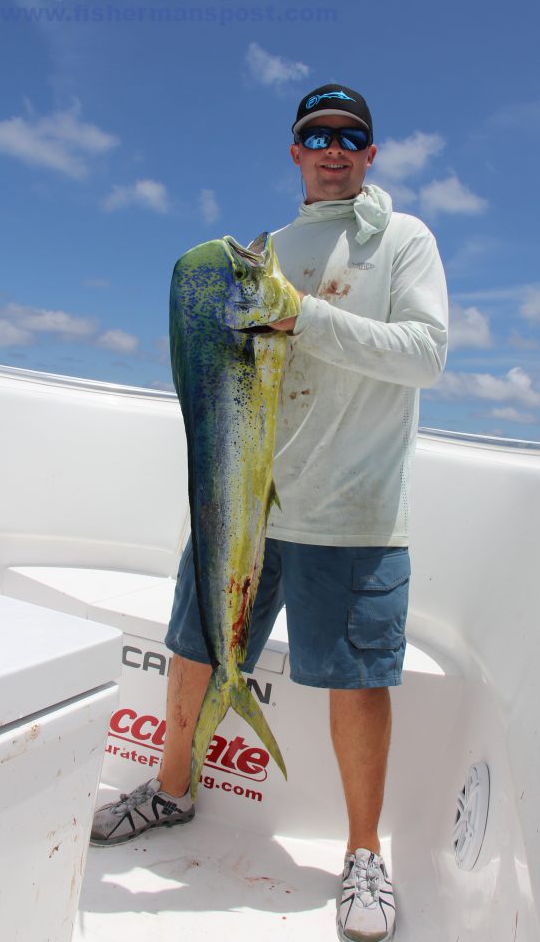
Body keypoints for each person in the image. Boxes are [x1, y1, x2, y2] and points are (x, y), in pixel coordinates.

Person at [91, 83, 449, 942]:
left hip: (353, 510)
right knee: (192, 649)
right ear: (294, 152)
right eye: (316, 136)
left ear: (371, 151)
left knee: (357, 683)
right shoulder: (271, 251)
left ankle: (362, 854)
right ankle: (173, 791)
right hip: (240, 498)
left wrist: (303, 314)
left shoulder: (404, 240)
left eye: (350, 136)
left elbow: (425, 355)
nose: (333, 149)